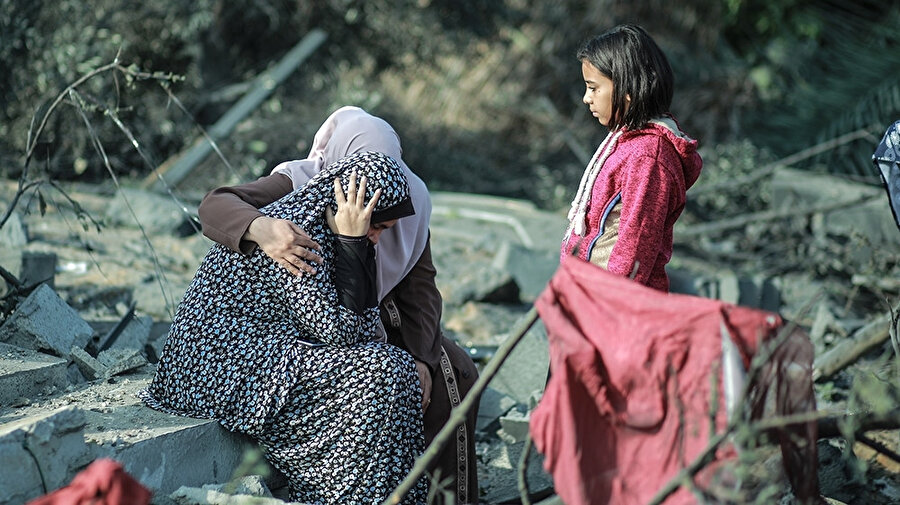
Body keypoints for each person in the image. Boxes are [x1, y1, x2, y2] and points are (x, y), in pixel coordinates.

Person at [195, 106, 479, 504]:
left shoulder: (403, 195)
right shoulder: (299, 184)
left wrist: (422, 358)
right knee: (383, 378)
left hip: (372, 313)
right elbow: (215, 205)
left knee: (455, 373)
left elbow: (420, 289)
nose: (379, 235)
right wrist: (262, 229)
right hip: (305, 324)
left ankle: (444, 498)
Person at [140, 151, 428, 504]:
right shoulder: (295, 235)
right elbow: (344, 334)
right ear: (350, 204)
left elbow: (362, 329)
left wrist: (355, 245)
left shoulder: (336, 230)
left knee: (394, 367)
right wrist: (352, 243)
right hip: (216, 362)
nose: (378, 239)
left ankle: (385, 497)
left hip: (267, 349)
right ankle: (344, 496)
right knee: (381, 371)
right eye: (378, 227)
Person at [561, 24, 703, 292]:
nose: (585, 98)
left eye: (593, 88)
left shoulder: (648, 158)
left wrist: (613, 304)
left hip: (615, 308)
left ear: (628, 89)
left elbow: (635, 245)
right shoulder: (625, 142)